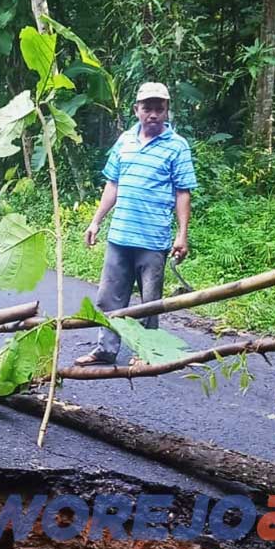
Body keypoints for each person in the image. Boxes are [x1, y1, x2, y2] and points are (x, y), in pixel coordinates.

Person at [76, 82, 197, 367]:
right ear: (136, 110)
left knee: (149, 303)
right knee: (108, 299)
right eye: (147, 108)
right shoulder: (124, 141)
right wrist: (95, 222)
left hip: (153, 239)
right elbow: (113, 184)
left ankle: (148, 354)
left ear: (167, 111)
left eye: (159, 108)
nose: (153, 114)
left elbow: (183, 192)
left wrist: (182, 236)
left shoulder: (177, 146)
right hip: (119, 236)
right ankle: (105, 350)